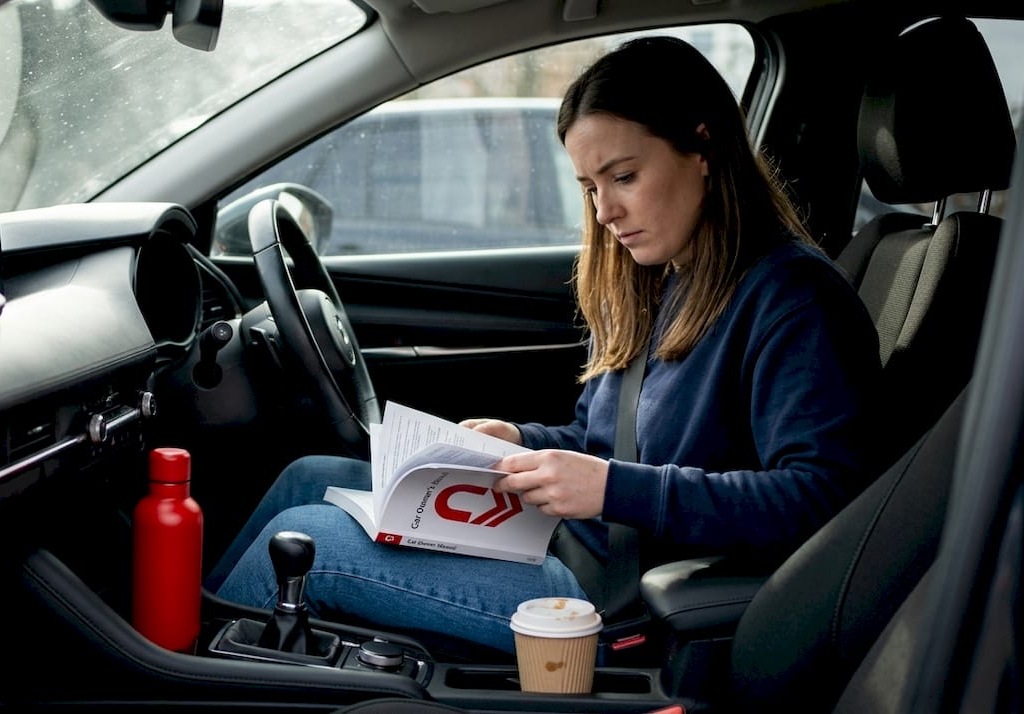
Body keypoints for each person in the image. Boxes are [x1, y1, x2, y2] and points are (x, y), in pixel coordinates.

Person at [208, 35, 884, 657]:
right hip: (573, 539)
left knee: (300, 545)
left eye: (623, 177)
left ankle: (181, 683)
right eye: (589, 187)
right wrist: (524, 441)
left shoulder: (793, 298)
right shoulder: (668, 278)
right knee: (308, 478)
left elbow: (819, 500)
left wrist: (616, 490)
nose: (603, 212)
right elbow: (605, 443)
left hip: (619, 592)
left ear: (702, 149)